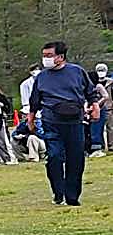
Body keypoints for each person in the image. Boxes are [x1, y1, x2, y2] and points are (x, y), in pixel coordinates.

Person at [30, 40, 100, 206]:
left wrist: (95, 106)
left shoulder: (77, 72)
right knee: (54, 156)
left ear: (60, 57)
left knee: (76, 159)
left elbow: (90, 92)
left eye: (49, 55)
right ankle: (58, 192)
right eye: (44, 55)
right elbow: (34, 101)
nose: (45, 59)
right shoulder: (41, 77)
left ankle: (72, 196)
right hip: (51, 121)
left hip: (75, 121)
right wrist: (31, 119)